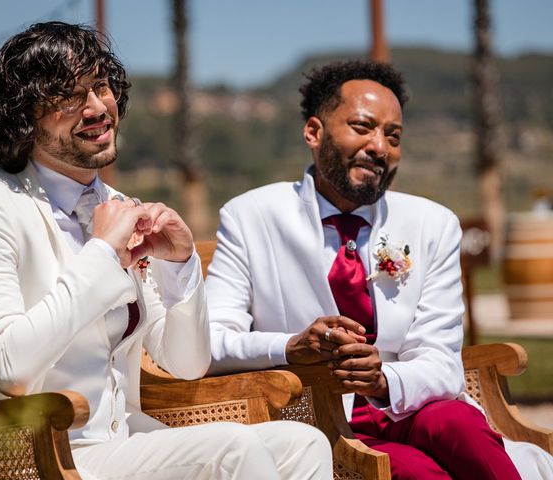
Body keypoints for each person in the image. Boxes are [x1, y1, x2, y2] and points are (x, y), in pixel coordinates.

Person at [0, 21, 333, 480]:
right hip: (23, 453)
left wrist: (179, 267)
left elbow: (186, 364)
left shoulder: (119, 208)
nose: (96, 108)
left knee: (302, 444)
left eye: (100, 86)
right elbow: (10, 368)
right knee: (232, 449)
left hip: (119, 442)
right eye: (68, 96)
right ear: (24, 116)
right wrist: (102, 253)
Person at [205, 60, 553, 479]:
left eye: (393, 136)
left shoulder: (433, 224)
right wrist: (290, 346)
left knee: (463, 428)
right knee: (418, 472)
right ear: (314, 132)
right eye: (362, 126)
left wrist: (383, 379)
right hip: (315, 417)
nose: (380, 147)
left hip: (410, 401)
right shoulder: (250, 216)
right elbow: (211, 341)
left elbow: (442, 363)